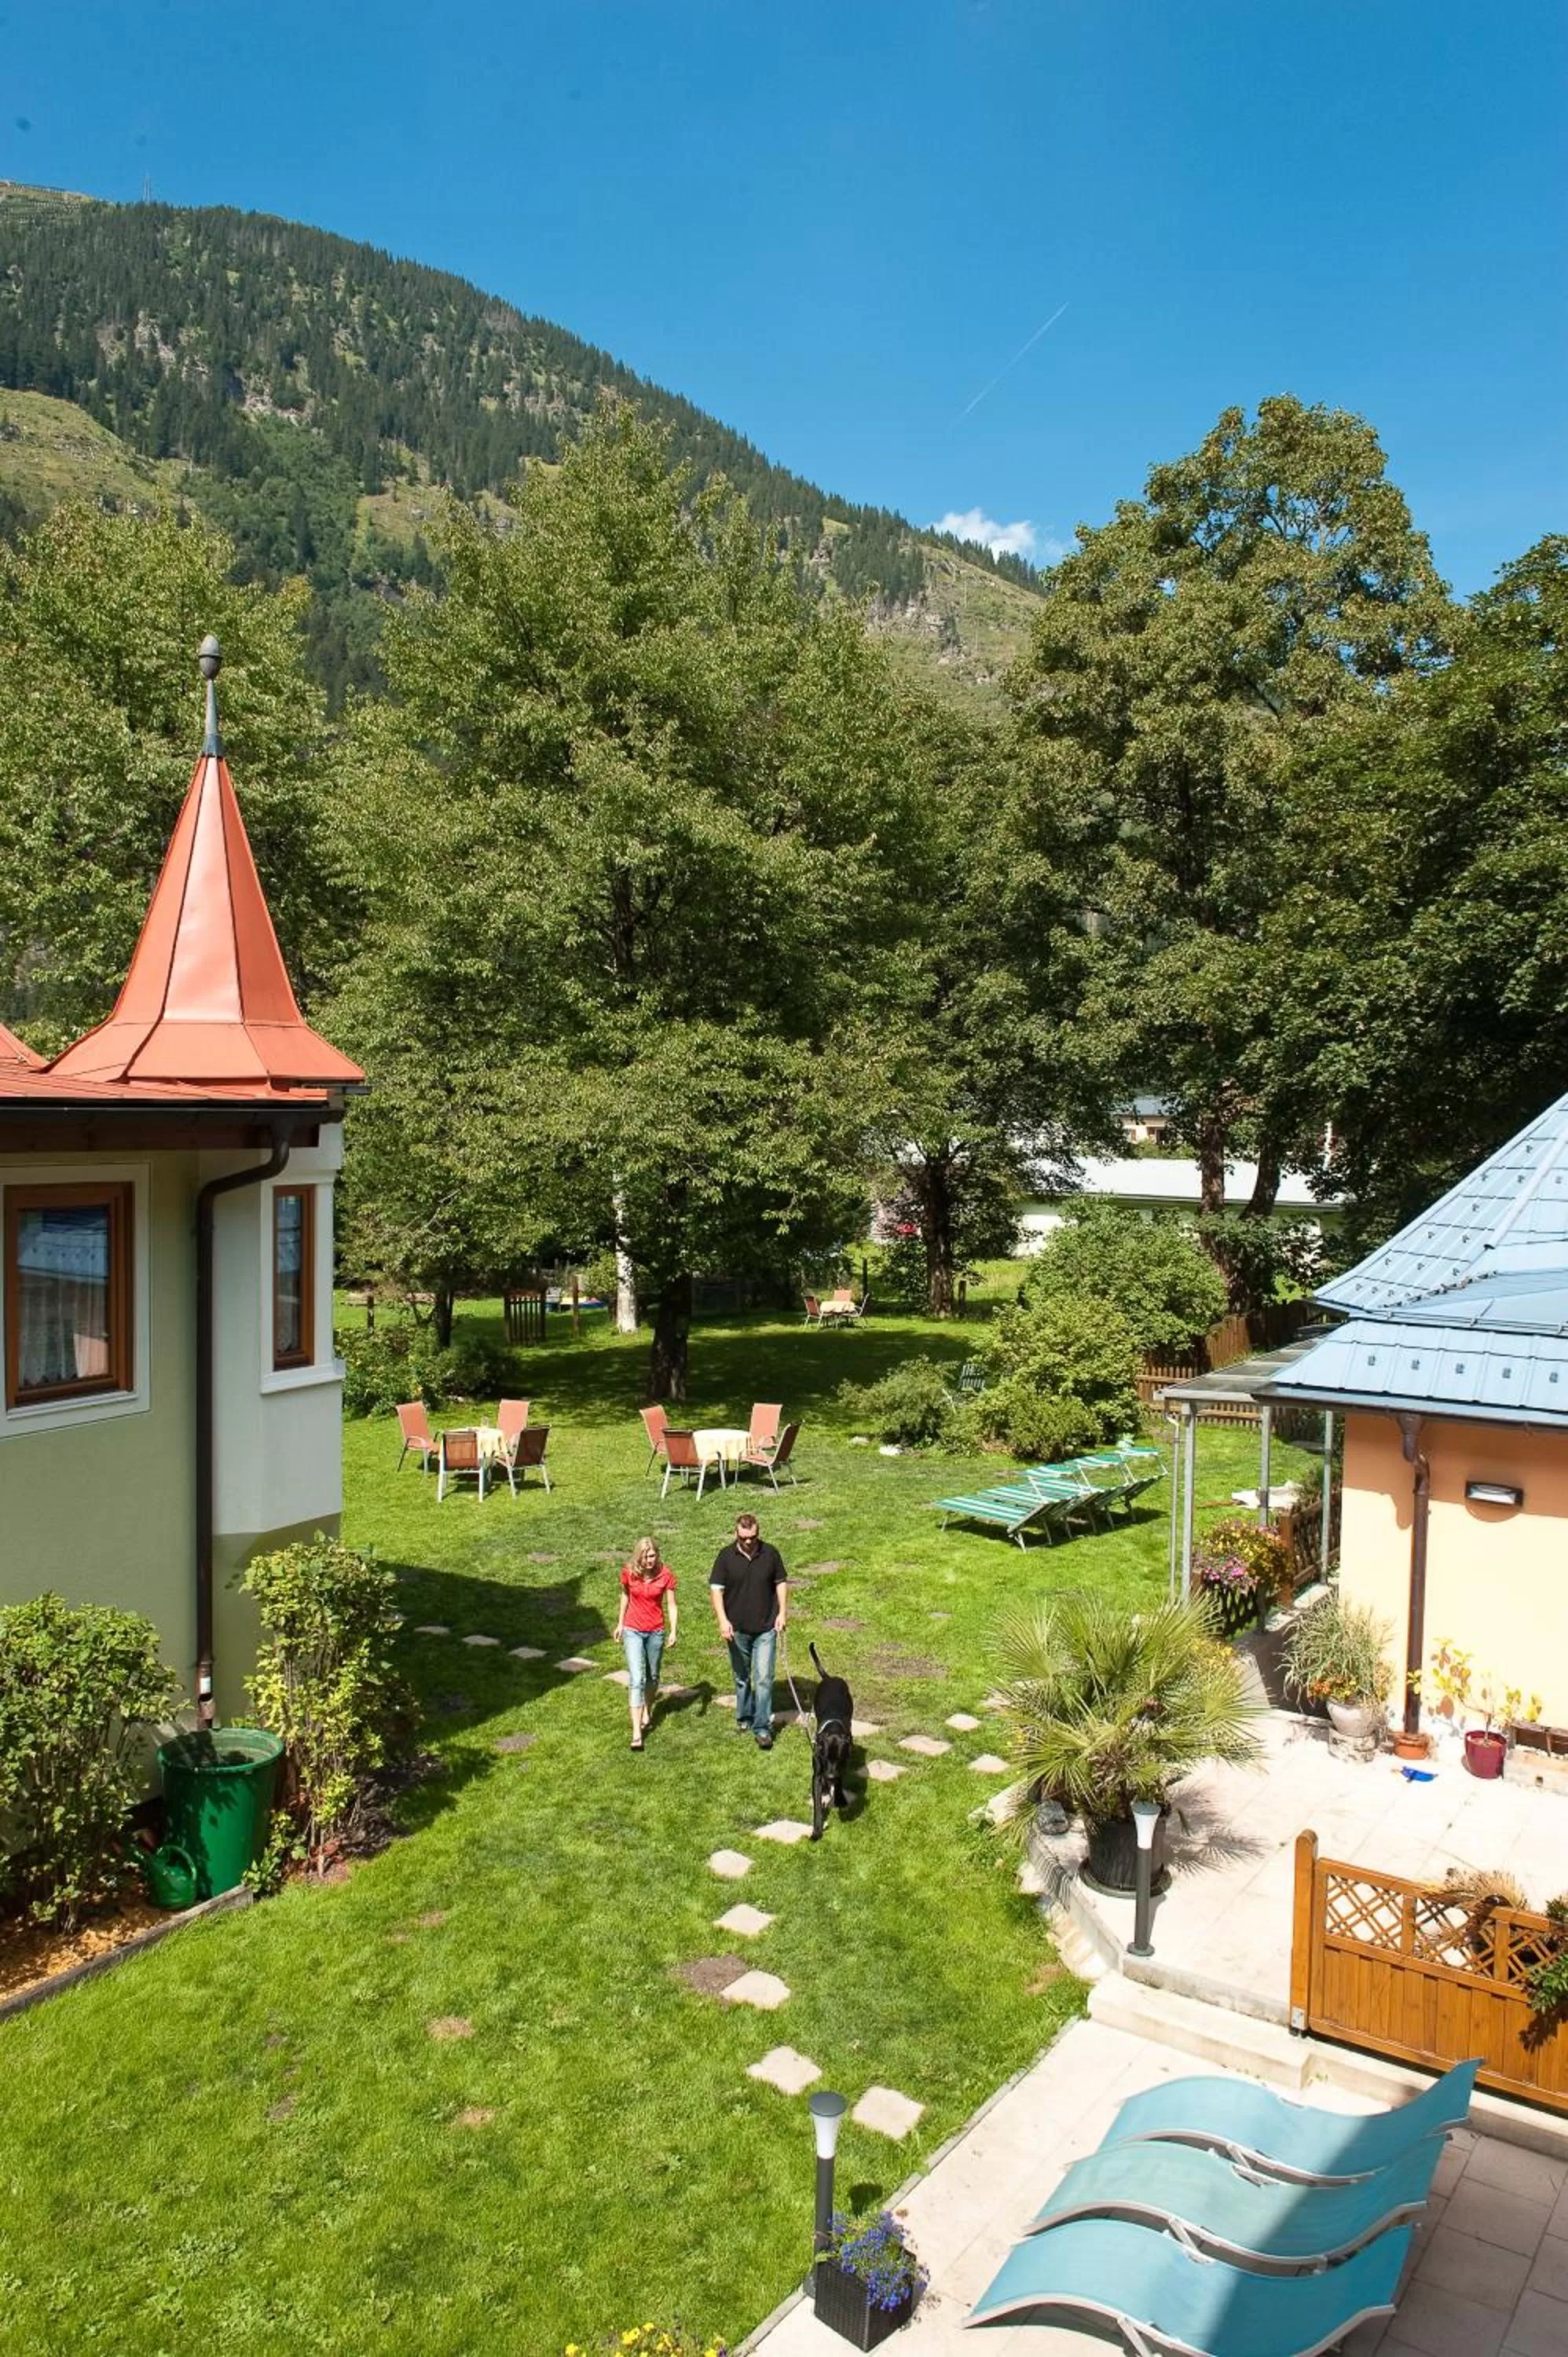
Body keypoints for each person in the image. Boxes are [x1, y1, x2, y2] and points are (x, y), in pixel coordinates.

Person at [709, 1512, 788, 1750]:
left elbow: (781, 1582)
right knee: (742, 1677)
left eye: (752, 1537)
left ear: (758, 1534)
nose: (748, 1542)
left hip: (766, 1628)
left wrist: (783, 1612)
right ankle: (744, 1717)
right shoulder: (725, 1557)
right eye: (744, 1538)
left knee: (763, 1678)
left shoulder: (770, 1554)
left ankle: (762, 1728)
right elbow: (716, 1590)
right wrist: (723, 1621)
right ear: (736, 1534)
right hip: (737, 1629)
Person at [614, 1536, 677, 1752]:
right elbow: (625, 1596)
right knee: (637, 1679)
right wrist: (620, 1624)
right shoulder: (629, 1572)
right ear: (638, 1556)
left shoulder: (665, 1574)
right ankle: (636, 1734)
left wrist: (673, 1631)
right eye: (645, 1556)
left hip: (656, 1631)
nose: (650, 1560)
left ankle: (647, 1710)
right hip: (633, 1630)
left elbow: (671, 1604)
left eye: (652, 1556)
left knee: (652, 1677)